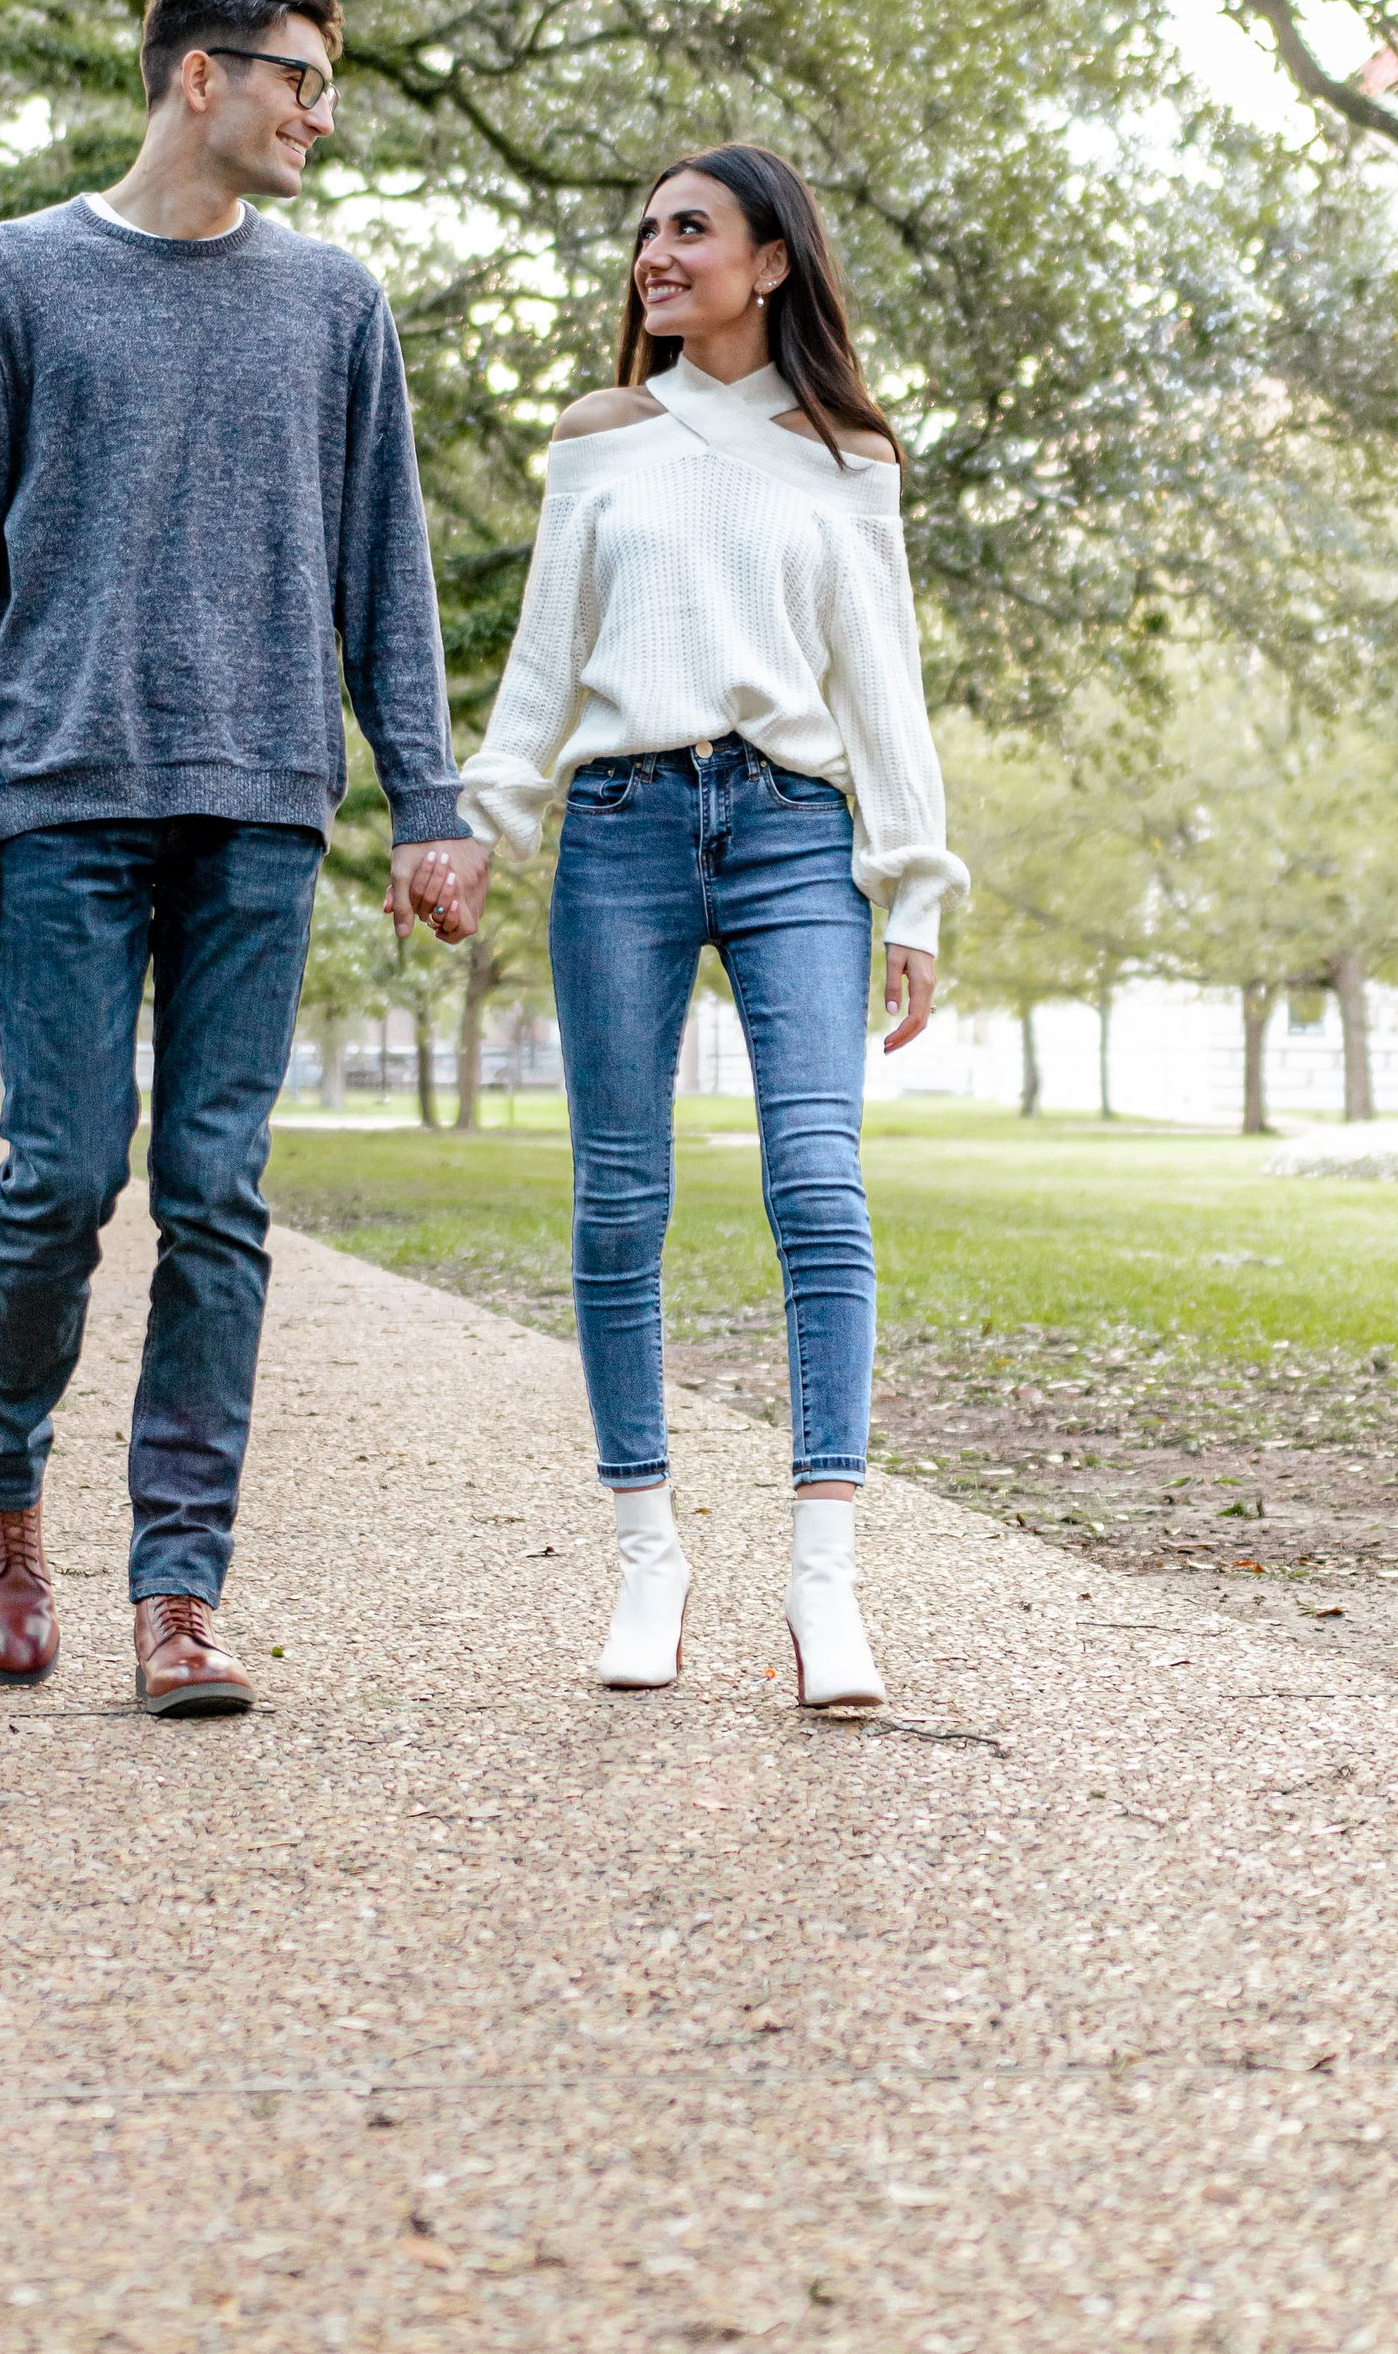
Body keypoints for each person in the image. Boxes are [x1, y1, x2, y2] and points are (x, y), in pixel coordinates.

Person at [0, 0, 488, 1716]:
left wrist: (427, 797)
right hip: (63, 790)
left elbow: (386, 570)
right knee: (65, 1175)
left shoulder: (336, 304)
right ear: (198, 76)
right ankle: (3, 1497)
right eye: (299, 78)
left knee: (216, 1195)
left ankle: (179, 1590)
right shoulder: (13, 278)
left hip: (262, 803)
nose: (320, 116)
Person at [425, 144, 963, 1708]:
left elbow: (884, 682)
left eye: (689, 229)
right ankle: (647, 1556)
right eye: (645, 232)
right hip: (622, 829)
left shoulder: (844, 456)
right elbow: (546, 657)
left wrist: (914, 886)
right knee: (618, 1198)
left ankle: (823, 1584)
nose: (654, 255)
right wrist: (480, 823)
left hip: (794, 831)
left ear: (771, 260)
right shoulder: (601, 438)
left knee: (820, 1184)